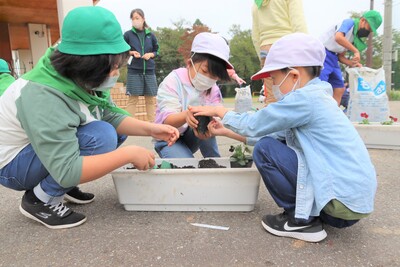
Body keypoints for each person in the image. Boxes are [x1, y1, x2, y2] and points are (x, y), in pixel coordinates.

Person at [0, 6, 179, 229]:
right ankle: (40, 199)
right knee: (102, 136)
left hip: (38, 152)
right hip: (13, 166)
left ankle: (60, 186)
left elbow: (108, 114)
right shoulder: (43, 94)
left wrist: (151, 129)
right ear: (88, 64)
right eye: (112, 67)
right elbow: (67, 169)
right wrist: (128, 154)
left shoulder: (81, 78)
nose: (116, 73)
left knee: (111, 132)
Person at [190, 33, 376, 243]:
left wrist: (218, 110)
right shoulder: (319, 99)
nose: (272, 86)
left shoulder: (305, 99)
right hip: (350, 205)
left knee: (265, 150)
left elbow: (255, 125)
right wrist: (224, 130)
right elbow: (265, 133)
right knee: (268, 144)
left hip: (340, 202)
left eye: (275, 79)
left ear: (295, 76)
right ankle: (309, 216)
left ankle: (301, 220)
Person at [154, 32, 232, 158]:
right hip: (168, 137)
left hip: (193, 136)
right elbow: (167, 121)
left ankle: (214, 162)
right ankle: (179, 156)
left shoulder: (213, 88)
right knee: (186, 165)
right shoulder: (173, 81)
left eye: (214, 76)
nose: (208, 79)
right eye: (205, 71)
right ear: (189, 63)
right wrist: (186, 115)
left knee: (208, 121)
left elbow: (217, 117)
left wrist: (210, 129)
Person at [319, 10, 382, 105]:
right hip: (323, 53)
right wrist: (355, 51)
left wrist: (353, 64)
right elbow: (339, 37)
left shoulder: (353, 37)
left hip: (334, 57)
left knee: (339, 88)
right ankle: (318, 112)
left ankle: (334, 112)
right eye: (368, 28)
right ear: (363, 20)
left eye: (370, 31)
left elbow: (341, 57)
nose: (368, 32)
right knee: (321, 85)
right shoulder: (349, 23)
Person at [252, 0, 307, 106]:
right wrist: (306, 50)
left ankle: (270, 120)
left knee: (272, 97)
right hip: (287, 46)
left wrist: (262, 58)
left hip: (266, 49)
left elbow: (255, 35)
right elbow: (299, 24)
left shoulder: (256, 3)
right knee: (295, 95)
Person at [124, 8, 159, 122]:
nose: (135, 20)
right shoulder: (128, 35)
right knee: (133, 99)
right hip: (134, 71)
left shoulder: (151, 35)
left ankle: (153, 125)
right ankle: (128, 125)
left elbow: (156, 51)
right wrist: (131, 52)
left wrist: (150, 54)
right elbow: (122, 50)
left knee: (150, 99)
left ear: (143, 19)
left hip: (149, 71)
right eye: (133, 18)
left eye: (137, 18)